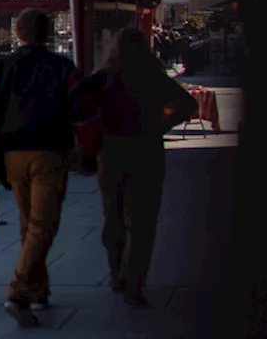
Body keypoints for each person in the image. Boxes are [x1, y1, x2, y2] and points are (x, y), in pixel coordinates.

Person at [73, 29, 197, 307]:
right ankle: (134, 282)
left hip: (112, 150)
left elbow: (77, 104)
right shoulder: (153, 77)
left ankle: (116, 273)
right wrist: (161, 125)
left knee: (113, 216)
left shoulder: (102, 79)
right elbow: (189, 104)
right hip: (147, 150)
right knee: (142, 222)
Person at [0, 9, 80, 328]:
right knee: (43, 223)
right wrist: (89, 151)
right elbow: (83, 112)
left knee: (29, 222)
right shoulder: (63, 68)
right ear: (48, 33)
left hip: (12, 155)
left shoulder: (1, 67)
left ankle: (39, 288)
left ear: (19, 33)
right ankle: (18, 292)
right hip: (50, 153)